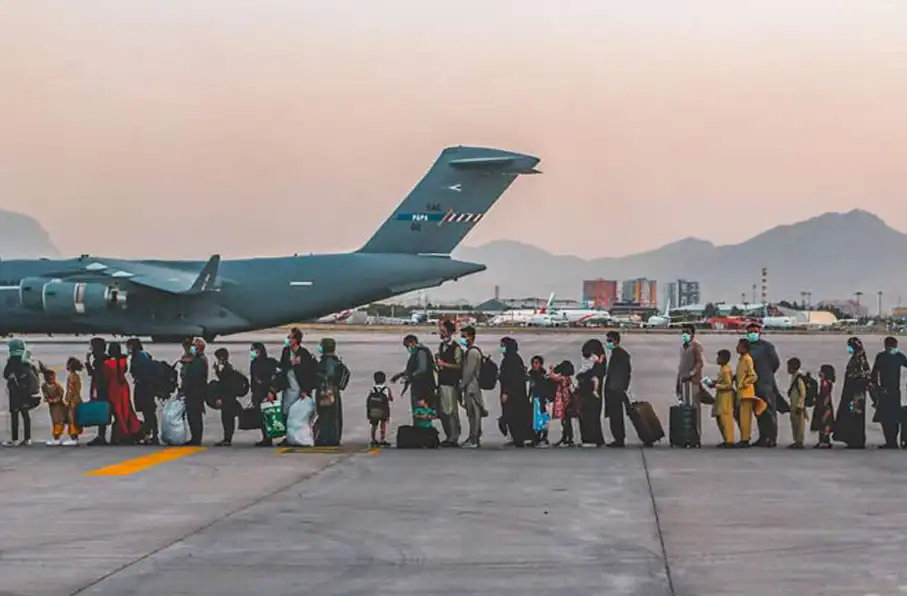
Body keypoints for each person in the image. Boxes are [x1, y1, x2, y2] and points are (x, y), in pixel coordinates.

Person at [746, 323, 781, 447]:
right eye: (750, 332)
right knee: (759, 411)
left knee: (769, 410)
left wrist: (766, 373)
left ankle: (772, 438)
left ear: (760, 333)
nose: (752, 334)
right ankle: (763, 436)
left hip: (766, 383)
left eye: (755, 331)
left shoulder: (767, 347)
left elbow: (775, 363)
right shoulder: (747, 347)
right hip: (752, 383)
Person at [870, 336, 907, 449]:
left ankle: (892, 441)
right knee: (885, 418)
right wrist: (876, 388)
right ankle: (890, 441)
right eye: (892, 346)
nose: (894, 348)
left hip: (893, 392)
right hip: (884, 391)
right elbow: (874, 373)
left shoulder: (898, 356)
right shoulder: (882, 357)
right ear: (886, 346)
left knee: (893, 417)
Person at [835, 337, 871, 449]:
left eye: (850, 346)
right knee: (851, 415)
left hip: (856, 394)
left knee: (855, 416)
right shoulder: (856, 358)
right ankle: (851, 439)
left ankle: (857, 440)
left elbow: (865, 376)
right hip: (851, 393)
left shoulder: (860, 360)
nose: (849, 349)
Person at [279, 327, 318, 430]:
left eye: (290, 337)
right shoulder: (286, 351)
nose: (288, 339)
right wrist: (291, 363)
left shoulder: (304, 354)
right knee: (286, 412)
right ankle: (288, 434)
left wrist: (306, 390)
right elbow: (281, 366)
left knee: (299, 415)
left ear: (296, 340)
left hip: (300, 390)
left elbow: (309, 374)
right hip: (289, 389)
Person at [392, 334, 436, 422]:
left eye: (407, 346)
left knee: (421, 413)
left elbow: (422, 369)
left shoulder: (421, 352)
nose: (407, 348)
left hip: (422, 388)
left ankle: (422, 429)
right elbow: (413, 368)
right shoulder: (417, 352)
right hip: (420, 386)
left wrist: (409, 377)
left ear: (412, 343)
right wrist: (400, 375)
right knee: (418, 413)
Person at [105, 342, 143, 444]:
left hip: (113, 388)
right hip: (123, 387)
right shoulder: (123, 361)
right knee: (126, 410)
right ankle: (132, 431)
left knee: (118, 412)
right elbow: (125, 371)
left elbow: (106, 377)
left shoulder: (107, 363)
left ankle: (122, 433)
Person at [498, 337, 532, 448]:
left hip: (513, 393)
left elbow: (512, 378)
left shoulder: (511, 360)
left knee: (513, 416)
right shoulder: (513, 358)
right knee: (513, 415)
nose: (501, 348)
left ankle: (518, 439)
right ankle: (516, 438)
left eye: (503, 346)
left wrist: (506, 392)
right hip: (516, 392)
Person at [3, 338, 37, 446]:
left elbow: (5, 374)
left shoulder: (12, 360)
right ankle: (28, 438)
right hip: (25, 391)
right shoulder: (26, 359)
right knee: (25, 414)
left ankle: (15, 439)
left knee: (14, 415)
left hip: (15, 392)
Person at [435, 320, 463, 447]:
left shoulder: (456, 347)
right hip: (442, 381)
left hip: (451, 383)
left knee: (451, 411)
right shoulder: (442, 346)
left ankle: (454, 437)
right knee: (443, 411)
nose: (441, 333)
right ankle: (449, 435)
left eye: (443, 331)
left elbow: (459, 366)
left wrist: (444, 364)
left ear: (449, 332)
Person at [126, 338, 158, 445]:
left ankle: (151, 435)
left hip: (144, 387)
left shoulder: (139, 357)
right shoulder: (143, 355)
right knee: (149, 412)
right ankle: (151, 434)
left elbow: (140, 372)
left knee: (148, 412)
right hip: (146, 386)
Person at [315, 338, 345, 446]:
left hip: (327, 391)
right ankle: (333, 437)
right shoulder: (335, 360)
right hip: (334, 390)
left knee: (326, 415)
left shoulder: (327, 361)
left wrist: (316, 374)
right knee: (333, 415)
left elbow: (328, 375)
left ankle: (327, 437)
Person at [576, 338, 606, 448]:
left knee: (589, 416)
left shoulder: (597, 363)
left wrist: (582, 376)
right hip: (593, 392)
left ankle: (590, 439)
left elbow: (594, 373)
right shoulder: (599, 360)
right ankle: (596, 439)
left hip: (589, 392)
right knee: (593, 417)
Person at [459, 326, 485, 448]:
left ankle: (474, 439)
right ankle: (473, 437)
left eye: (464, 336)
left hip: (472, 387)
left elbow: (469, 372)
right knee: (472, 414)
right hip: (471, 386)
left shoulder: (472, 353)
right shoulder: (470, 351)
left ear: (471, 337)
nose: (462, 339)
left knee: (474, 414)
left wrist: (462, 385)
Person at [676, 325, 704, 438]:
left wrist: (691, 374)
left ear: (693, 334)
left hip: (692, 383)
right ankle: (686, 435)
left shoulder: (695, 347)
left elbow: (699, 363)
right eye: (683, 332)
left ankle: (696, 435)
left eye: (687, 332)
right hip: (683, 382)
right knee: (685, 410)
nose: (685, 335)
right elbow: (681, 366)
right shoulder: (682, 347)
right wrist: (678, 382)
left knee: (694, 410)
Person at [604, 331, 631, 448]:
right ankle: (618, 437)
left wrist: (617, 387)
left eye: (609, 340)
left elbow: (623, 373)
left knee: (616, 415)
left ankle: (619, 438)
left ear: (616, 341)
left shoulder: (620, 355)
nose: (608, 343)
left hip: (615, 389)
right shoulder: (617, 353)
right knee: (614, 414)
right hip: (614, 388)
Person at [249, 342, 279, 447]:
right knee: (261, 417)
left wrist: (272, 391)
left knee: (269, 415)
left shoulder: (270, 362)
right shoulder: (254, 363)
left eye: (253, 350)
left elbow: (275, 377)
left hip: (268, 392)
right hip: (258, 393)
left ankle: (269, 437)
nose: (252, 352)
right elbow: (253, 379)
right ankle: (265, 437)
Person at [734, 338, 761, 448]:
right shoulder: (741, 359)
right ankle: (744, 437)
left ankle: (745, 439)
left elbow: (753, 376)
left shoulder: (747, 359)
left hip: (747, 392)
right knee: (741, 416)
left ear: (745, 348)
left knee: (745, 417)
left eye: (739, 346)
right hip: (741, 392)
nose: (737, 348)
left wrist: (744, 383)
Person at [182, 338, 209, 446]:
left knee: (194, 416)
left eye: (194, 347)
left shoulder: (198, 361)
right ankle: (195, 437)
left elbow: (192, 378)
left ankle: (196, 438)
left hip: (195, 392)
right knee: (193, 416)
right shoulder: (196, 359)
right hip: (195, 392)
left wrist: (184, 389)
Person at [213, 348, 241, 447]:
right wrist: (217, 370)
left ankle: (227, 439)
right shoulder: (226, 367)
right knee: (226, 418)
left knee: (227, 419)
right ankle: (227, 438)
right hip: (229, 398)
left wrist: (221, 398)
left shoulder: (227, 369)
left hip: (227, 398)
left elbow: (225, 385)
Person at [85, 337, 110, 446]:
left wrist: (87, 361)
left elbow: (93, 374)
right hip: (106, 388)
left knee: (102, 411)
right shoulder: (106, 358)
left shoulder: (99, 360)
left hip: (101, 389)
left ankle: (101, 436)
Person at [710, 349, 735, 448]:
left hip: (725, 397)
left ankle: (729, 440)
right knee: (720, 418)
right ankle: (726, 439)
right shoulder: (722, 369)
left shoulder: (726, 370)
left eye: (719, 357)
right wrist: (715, 382)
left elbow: (728, 385)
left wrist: (716, 385)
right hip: (721, 396)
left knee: (725, 419)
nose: (717, 359)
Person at [548, 360, 576, 447]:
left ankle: (567, 438)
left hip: (563, 400)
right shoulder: (568, 378)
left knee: (564, 420)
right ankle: (568, 438)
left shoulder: (563, 378)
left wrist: (551, 369)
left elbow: (552, 377)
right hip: (568, 400)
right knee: (567, 420)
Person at [528, 355, 553, 447]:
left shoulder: (543, 375)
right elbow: (531, 387)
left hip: (542, 398)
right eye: (533, 363)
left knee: (543, 417)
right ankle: (536, 437)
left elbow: (546, 387)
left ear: (541, 364)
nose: (535, 365)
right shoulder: (531, 374)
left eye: (537, 363)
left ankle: (544, 437)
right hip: (535, 397)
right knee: (536, 418)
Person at [41, 368, 69, 446]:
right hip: (52, 407)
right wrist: (47, 399)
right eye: (50, 378)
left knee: (59, 421)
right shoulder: (44, 386)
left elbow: (60, 395)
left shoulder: (57, 386)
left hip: (59, 406)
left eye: (53, 378)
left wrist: (54, 400)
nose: (53, 380)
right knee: (54, 421)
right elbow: (45, 394)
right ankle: (56, 437)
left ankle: (57, 437)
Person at [811, 364, 836, 449]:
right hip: (826, 405)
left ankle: (824, 441)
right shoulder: (827, 382)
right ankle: (825, 440)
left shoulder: (825, 383)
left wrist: (822, 405)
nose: (819, 372)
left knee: (824, 422)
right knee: (824, 423)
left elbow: (825, 395)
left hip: (824, 406)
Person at [367, 371, 393, 447]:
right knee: (383, 424)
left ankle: (373, 439)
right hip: (383, 411)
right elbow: (390, 398)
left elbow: (369, 398)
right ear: (384, 379)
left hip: (374, 410)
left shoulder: (373, 389)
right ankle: (382, 439)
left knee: (374, 425)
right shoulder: (387, 389)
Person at [786, 357, 808, 449]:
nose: (787, 369)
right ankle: (796, 440)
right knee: (794, 423)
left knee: (799, 424)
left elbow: (803, 392)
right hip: (794, 404)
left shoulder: (798, 378)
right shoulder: (794, 376)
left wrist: (800, 405)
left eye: (788, 367)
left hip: (798, 405)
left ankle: (799, 441)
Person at [62, 357, 84, 446]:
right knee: (75, 419)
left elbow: (71, 390)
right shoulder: (76, 376)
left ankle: (73, 437)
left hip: (73, 400)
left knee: (72, 419)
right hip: (77, 399)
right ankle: (75, 437)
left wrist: (67, 399)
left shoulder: (71, 376)